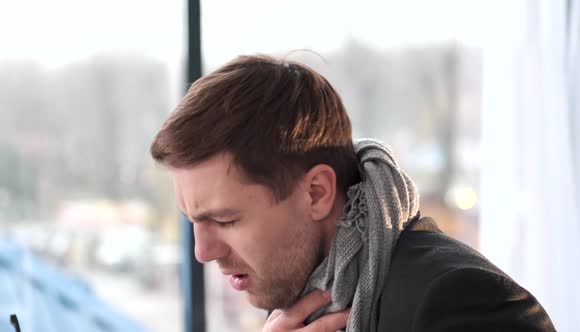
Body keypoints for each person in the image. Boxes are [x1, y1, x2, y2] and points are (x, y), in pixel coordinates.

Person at [150, 54, 555, 332]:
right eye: (193, 220)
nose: (203, 251)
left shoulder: (462, 302)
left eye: (225, 220)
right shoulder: (300, 301)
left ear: (316, 192)